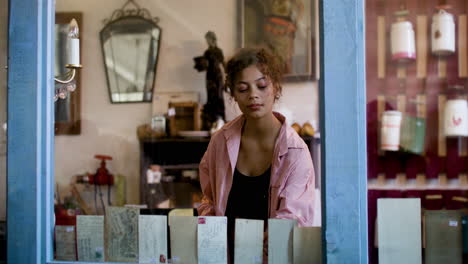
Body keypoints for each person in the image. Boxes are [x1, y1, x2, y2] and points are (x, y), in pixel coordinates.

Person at [197, 47, 315, 262]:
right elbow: (208, 199)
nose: (253, 95)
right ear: (232, 93)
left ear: (276, 87)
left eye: (262, 86)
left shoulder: (296, 152)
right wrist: (211, 227)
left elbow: (295, 217)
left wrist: (275, 236)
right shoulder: (219, 143)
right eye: (243, 89)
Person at [194, 31, 226, 130]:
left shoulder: (218, 51)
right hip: (210, 76)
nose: (207, 42)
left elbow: (223, 63)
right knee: (210, 96)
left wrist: (227, 75)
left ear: (212, 39)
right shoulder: (207, 52)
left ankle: (219, 118)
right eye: (206, 40)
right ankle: (211, 119)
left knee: (218, 95)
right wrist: (200, 64)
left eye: (208, 39)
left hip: (217, 75)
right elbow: (204, 65)